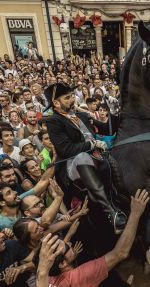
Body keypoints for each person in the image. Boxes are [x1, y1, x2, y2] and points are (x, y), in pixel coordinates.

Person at [44, 83, 126, 234]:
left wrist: (113, 112)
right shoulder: (53, 121)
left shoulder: (81, 115)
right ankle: (110, 211)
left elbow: (107, 129)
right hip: (72, 164)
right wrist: (92, 143)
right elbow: (66, 149)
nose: (72, 99)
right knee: (82, 157)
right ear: (56, 103)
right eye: (67, 97)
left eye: (72, 96)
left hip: (96, 157)